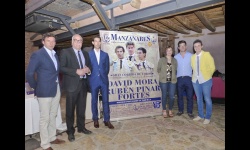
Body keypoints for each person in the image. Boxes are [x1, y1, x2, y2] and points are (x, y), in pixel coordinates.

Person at [26, 33, 65, 150]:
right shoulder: (37, 55)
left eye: (53, 41)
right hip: (44, 90)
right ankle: (45, 144)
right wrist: (35, 87)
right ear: (43, 42)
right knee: (45, 118)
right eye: (49, 41)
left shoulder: (54, 54)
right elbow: (29, 73)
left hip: (56, 88)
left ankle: (52, 137)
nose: (51, 43)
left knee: (53, 114)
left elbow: (55, 72)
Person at [59, 34, 92, 142]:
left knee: (82, 108)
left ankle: (81, 128)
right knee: (70, 110)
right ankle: (70, 131)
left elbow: (89, 66)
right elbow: (61, 68)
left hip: (83, 84)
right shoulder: (65, 52)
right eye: (76, 40)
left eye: (80, 41)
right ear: (72, 42)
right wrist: (76, 71)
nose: (78, 43)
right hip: (71, 85)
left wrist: (88, 70)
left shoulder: (85, 53)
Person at [88, 36, 114, 129]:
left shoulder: (105, 55)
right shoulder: (89, 54)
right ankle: (95, 119)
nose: (98, 43)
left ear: (100, 43)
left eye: (99, 41)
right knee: (94, 100)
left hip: (104, 81)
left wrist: (103, 75)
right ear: (93, 42)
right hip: (93, 80)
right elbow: (88, 67)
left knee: (106, 100)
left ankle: (107, 120)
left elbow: (107, 68)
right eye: (96, 41)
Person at [191, 39, 215, 124]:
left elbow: (212, 67)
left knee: (207, 99)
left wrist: (207, 77)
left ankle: (207, 117)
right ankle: (200, 115)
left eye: (198, 45)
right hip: (195, 81)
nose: (197, 47)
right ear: (193, 48)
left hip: (206, 81)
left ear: (202, 46)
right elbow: (193, 68)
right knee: (199, 99)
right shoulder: (193, 57)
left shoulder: (207, 55)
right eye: (195, 46)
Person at [174, 40, 194, 118]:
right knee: (179, 96)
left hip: (189, 78)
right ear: (178, 48)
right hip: (179, 79)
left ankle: (190, 111)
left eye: (184, 45)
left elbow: (194, 67)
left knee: (189, 96)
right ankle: (180, 110)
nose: (182, 47)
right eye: (180, 46)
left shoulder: (191, 56)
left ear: (186, 46)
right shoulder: (175, 57)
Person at [157, 46, 177, 118]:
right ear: (165, 51)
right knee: (164, 95)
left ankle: (170, 109)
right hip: (163, 81)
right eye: (168, 50)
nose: (169, 52)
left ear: (172, 51)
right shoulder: (161, 60)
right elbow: (158, 69)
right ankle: (164, 110)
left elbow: (176, 70)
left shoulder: (174, 60)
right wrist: (162, 75)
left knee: (172, 96)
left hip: (172, 81)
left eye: (170, 50)